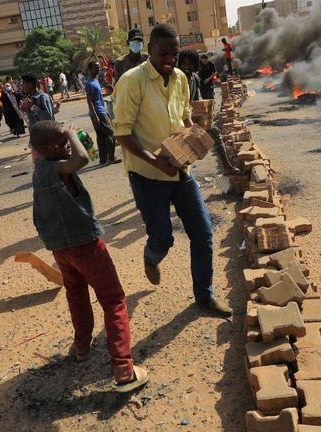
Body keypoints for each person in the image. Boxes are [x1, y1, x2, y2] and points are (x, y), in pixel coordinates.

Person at [113, 24, 232, 316]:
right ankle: (151, 255)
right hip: (146, 174)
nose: (169, 59)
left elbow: (186, 118)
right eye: (163, 53)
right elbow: (123, 134)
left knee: (203, 233)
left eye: (174, 54)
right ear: (150, 50)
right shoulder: (132, 81)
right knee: (163, 239)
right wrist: (157, 162)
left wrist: (197, 140)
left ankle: (204, 297)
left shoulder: (180, 78)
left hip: (181, 171)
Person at [29, 120, 149, 393]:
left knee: (76, 293)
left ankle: (82, 346)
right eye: (61, 144)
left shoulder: (39, 169)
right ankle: (124, 370)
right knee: (114, 299)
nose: (67, 145)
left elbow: (42, 147)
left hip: (61, 249)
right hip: (86, 245)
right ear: (47, 149)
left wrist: (59, 141)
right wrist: (70, 132)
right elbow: (82, 158)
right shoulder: (58, 168)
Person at [85, 61, 120, 166]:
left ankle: (103, 159)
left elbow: (97, 98)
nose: (98, 69)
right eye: (96, 68)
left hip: (101, 111)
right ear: (90, 69)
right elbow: (89, 101)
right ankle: (111, 157)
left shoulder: (95, 81)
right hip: (98, 113)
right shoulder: (89, 84)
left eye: (99, 67)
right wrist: (95, 115)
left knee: (101, 136)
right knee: (110, 133)